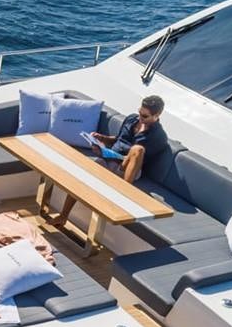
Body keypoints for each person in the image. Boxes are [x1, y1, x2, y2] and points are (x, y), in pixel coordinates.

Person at [52, 94, 166, 228]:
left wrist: (107, 154)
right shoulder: (131, 119)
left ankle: (124, 193)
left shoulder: (158, 136)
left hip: (127, 168)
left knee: (137, 149)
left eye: (145, 116)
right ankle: (63, 216)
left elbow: (136, 159)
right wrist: (101, 138)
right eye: (139, 113)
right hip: (110, 158)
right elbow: (118, 139)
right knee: (82, 176)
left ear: (157, 115)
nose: (140, 118)